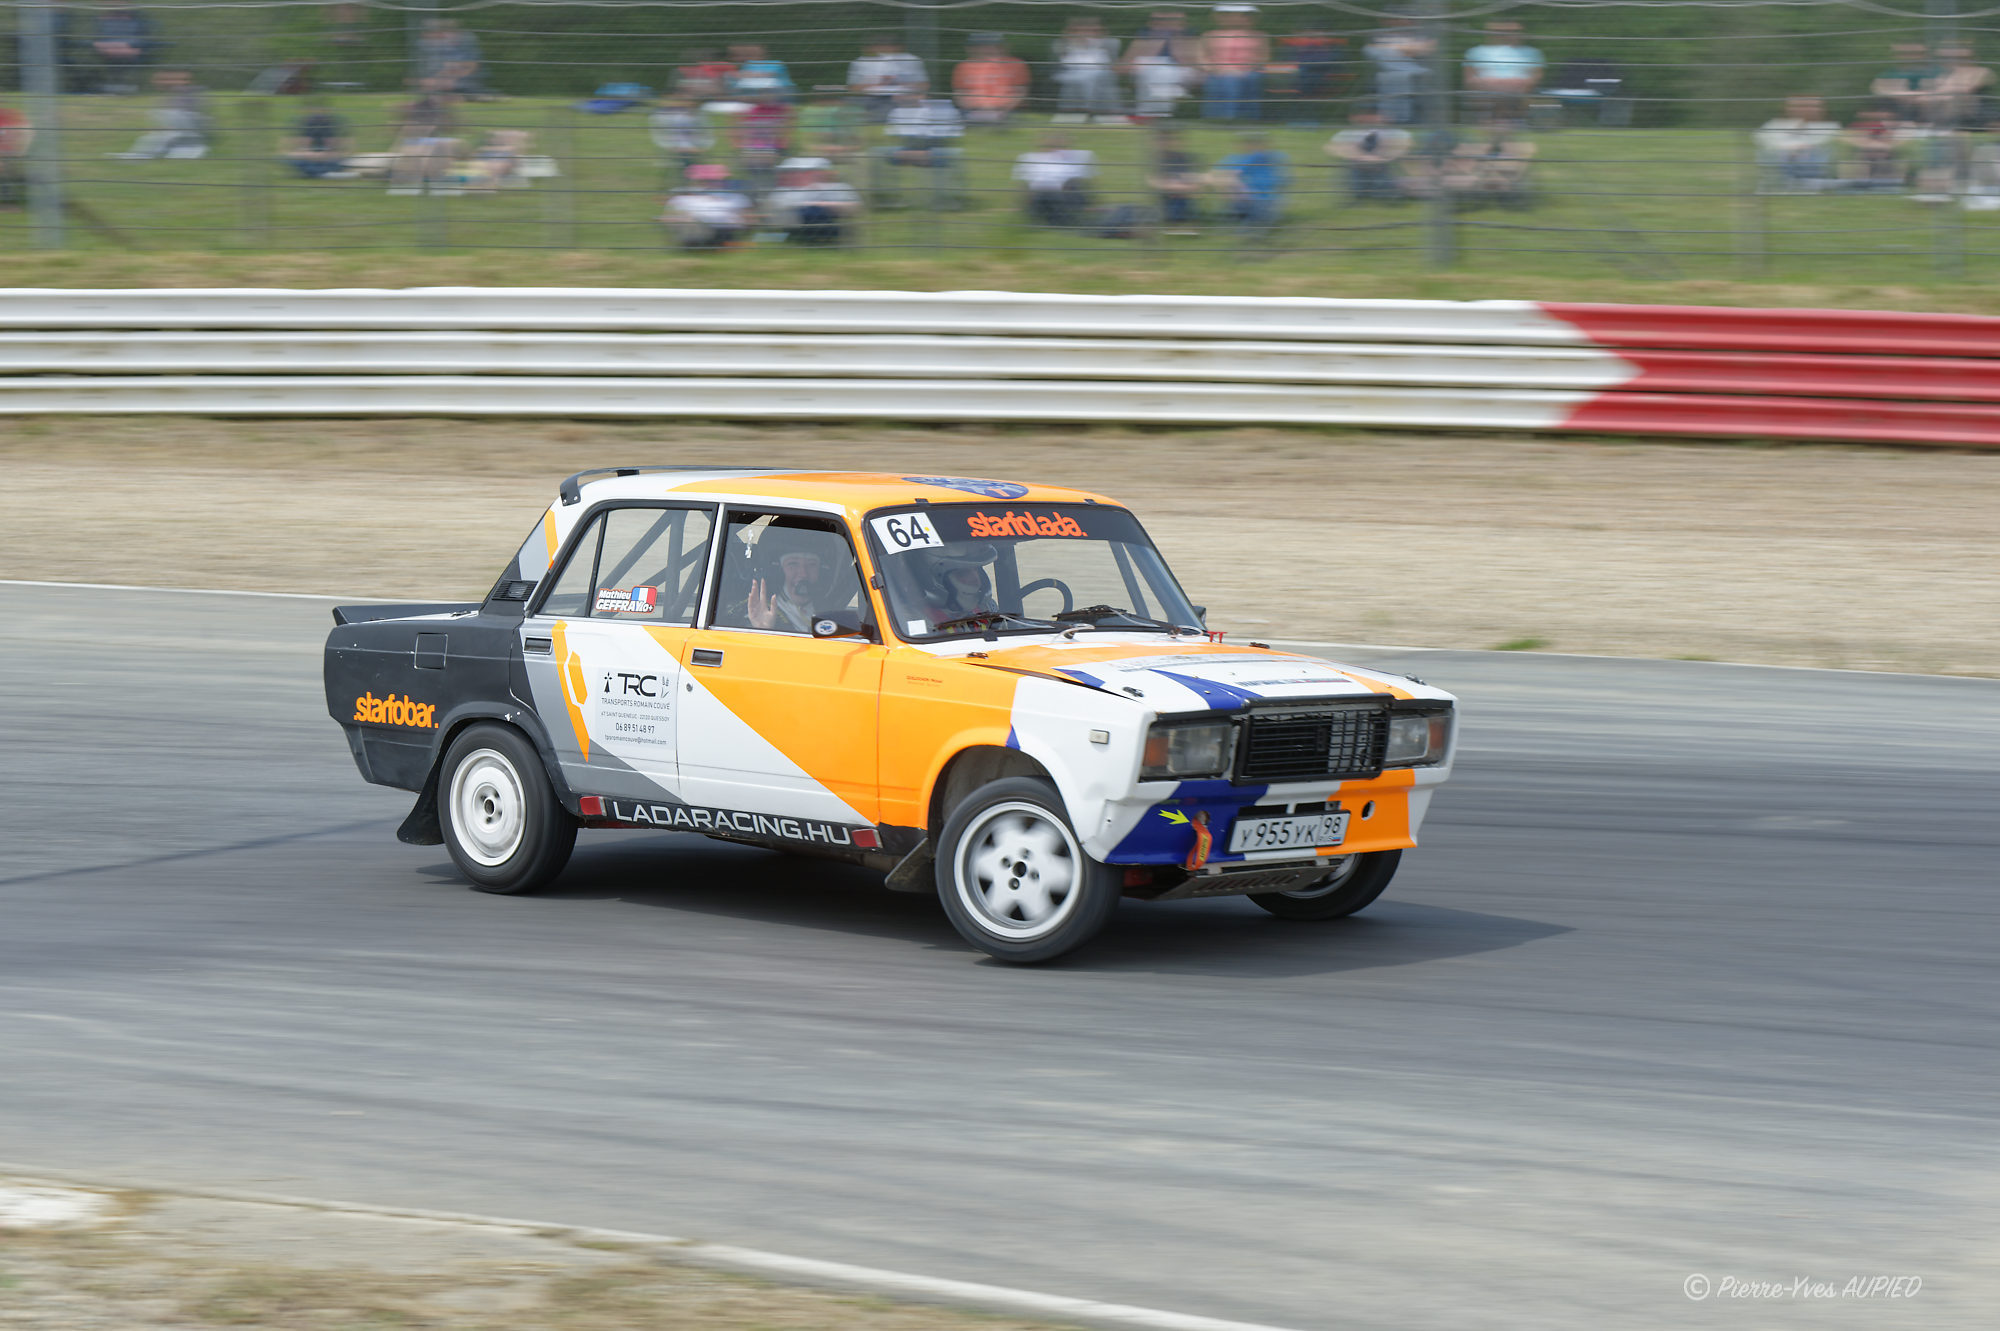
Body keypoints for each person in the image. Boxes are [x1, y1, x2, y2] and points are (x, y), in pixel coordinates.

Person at [107, 69, 209, 161]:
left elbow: (190, 118)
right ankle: (139, 156)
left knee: (159, 133)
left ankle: (141, 156)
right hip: (176, 132)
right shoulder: (169, 97)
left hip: (189, 134)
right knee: (150, 137)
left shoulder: (190, 94)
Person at [747, 529, 832, 632]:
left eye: (811, 564)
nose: (803, 574)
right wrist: (763, 630)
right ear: (779, 573)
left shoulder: (828, 609)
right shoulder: (760, 613)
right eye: (793, 564)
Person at [765, 157, 861, 245]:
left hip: (824, 219)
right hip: (794, 223)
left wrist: (821, 204)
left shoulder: (839, 187)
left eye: (796, 172)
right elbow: (773, 212)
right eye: (789, 172)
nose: (792, 175)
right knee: (806, 212)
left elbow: (854, 208)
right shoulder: (783, 190)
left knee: (814, 210)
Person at [1124, 11, 1200, 121]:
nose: (1162, 24)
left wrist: (1176, 37)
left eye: (1175, 22)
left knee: (1163, 74)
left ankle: (1155, 114)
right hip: (1152, 69)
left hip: (1180, 69)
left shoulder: (1189, 36)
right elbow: (1127, 62)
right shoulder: (1144, 36)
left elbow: (1189, 62)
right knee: (1153, 71)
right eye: (1156, 21)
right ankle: (1154, 114)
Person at [1754, 96, 1840, 193]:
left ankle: (1806, 184)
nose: (1806, 109)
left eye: (1812, 106)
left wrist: (1802, 148)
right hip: (1784, 163)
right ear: (1788, 108)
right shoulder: (1775, 125)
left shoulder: (1829, 127)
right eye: (1800, 106)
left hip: (1812, 166)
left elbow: (1824, 146)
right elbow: (1763, 141)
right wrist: (1790, 148)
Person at [387, 78, 459, 194]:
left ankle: (435, 179)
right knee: (426, 149)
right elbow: (407, 128)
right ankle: (426, 179)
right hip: (420, 140)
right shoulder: (419, 106)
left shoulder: (443, 107)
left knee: (443, 145)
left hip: (433, 140)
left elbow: (451, 127)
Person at [1462, 22, 1543, 124]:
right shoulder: (1475, 52)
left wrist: (1513, 84)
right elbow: (1469, 77)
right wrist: (1493, 84)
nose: (1508, 34)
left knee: (1513, 90)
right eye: (1497, 32)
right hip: (1487, 89)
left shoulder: (1532, 53)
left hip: (1517, 89)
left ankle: (1502, 122)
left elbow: (1537, 76)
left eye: (1514, 32)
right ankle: (1501, 122)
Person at [1326, 104, 1411, 200]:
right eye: (1365, 114)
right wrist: (1363, 158)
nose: (1369, 118)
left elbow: (1402, 146)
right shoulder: (1348, 134)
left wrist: (1380, 157)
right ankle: (1362, 191)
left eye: (1372, 114)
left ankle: (1387, 191)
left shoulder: (1394, 133)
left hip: (1386, 172)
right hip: (1358, 170)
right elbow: (1334, 148)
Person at [1200, 4, 1270, 122]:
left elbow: (1264, 58)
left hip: (1249, 72)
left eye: (1248, 15)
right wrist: (1215, 69)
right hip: (1218, 72)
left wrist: (1245, 70)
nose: (1247, 18)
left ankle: (1244, 119)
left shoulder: (1260, 36)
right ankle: (1224, 118)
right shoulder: (1209, 35)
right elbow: (1201, 59)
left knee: (1244, 80)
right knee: (1227, 80)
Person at [1365, 15, 1433, 127]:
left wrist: (1391, 47)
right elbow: (1371, 50)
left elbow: (1425, 49)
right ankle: (1392, 119)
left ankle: (1404, 120)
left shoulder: (1420, 35)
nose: (1402, 21)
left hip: (1416, 77)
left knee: (1407, 79)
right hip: (1385, 75)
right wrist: (1405, 49)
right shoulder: (1377, 34)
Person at [664, 163, 752, 248]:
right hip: (696, 229)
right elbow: (669, 217)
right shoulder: (683, 198)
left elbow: (748, 219)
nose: (708, 183)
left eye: (714, 180)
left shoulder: (735, 197)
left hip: (725, 230)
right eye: (704, 180)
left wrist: (742, 221)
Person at [1013, 135, 1096, 225]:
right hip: (1042, 199)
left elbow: (1079, 186)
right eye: (1051, 147)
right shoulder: (1033, 160)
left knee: (1071, 186)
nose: (1056, 150)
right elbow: (1025, 188)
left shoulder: (1072, 162)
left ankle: (1062, 221)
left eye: (1061, 147)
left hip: (1061, 199)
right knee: (1046, 194)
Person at [1053, 16, 1122, 123]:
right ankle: (1088, 111)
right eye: (1078, 30)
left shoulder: (1109, 43)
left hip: (1100, 75)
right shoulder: (1062, 44)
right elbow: (1064, 63)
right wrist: (1074, 42)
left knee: (1094, 78)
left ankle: (1091, 111)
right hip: (1071, 74)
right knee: (1088, 79)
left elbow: (1112, 64)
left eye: (1093, 30)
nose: (1085, 32)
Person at [1214, 130, 1288, 228]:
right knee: (1230, 183)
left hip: (1261, 198)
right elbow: (1229, 172)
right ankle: (1242, 215)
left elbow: (1234, 173)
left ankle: (1246, 218)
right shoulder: (1247, 157)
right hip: (1255, 197)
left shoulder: (1259, 157)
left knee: (1231, 183)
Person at [953, 34, 1030, 125]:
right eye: (980, 46)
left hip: (1007, 111)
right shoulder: (963, 67)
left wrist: (1000, 111)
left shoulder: (1016, 65)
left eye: (991, 45)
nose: (986, 49)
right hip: (972, 111)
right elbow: (959, 94)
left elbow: (1020, 93)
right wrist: (977, 110)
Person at [848, 35, 928, 122]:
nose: (885, 50)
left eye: (889, 47)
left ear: (898, 48)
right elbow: (853, 89)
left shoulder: (912, 60)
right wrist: (879, 82)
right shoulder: (860, 62)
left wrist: (900, 84)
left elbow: (924, 86)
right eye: (881, 47)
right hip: (871, 99)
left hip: (903, 98)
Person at [921, 544, 1001, 626]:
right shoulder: (917, 621)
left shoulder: (988, 609)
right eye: (963, 573)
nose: (975, 578)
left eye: (976, 570)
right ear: (939, 580)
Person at [734, 88, 792, 199]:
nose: (766, 98)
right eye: (763, 95)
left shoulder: (779, 110)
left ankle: (765, 192)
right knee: (751, 162)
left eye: (769, 95)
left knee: (765, 163)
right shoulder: (751, 110)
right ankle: (757, 193)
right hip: (753, 146)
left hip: (771, 146)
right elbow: (744, 131)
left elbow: (782, 130)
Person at [90, 6, 157, 95]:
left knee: (129, 54)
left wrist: (121, 48)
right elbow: (98, 44)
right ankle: (116, 86)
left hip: (129, 53)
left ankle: (124, 86)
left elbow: (138, 46)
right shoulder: (107, 26)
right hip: (111, 53)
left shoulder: (136, 26)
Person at [1149, 127, 1205, 231]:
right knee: (1175, 199)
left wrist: (1191, 186)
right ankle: (1177, 223)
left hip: (1182, 192)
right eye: (1160, 140)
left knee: (1184, 198)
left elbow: (1189, 176)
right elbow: (1154, 182)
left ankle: (1180, 223)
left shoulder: (1180, 157)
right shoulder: (1153, 159)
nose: (1164, 143)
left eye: (1166, 140)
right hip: (1167, 193)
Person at [1871, 43, 1941, 125]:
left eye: (1914, 53)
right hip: (1899, 111)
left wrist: (1923, 97)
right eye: (1905, 53)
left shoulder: (1934, 73)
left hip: (1926, 111)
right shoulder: (1889, 74)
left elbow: (1942, 90)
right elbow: (1879, 89)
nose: (1910, 56)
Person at [649, 96, 713, 181]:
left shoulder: (698, 115)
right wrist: (673, 147)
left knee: (690, 160)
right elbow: (661, 134)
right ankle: (687, 183)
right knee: (686, 159)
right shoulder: (666, 116)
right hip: (676, 146)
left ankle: (692, 183)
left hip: (693, 147)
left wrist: (701, 147)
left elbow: (706, 134)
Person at [284, 103, 352, 178]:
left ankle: (320, 173)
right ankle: (322, 173)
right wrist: (310, 154)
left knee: (336, 162)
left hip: (327, 159)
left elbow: (335, 150)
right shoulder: (309, 124)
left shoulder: (329, 125)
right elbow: (302, 148)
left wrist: (324, 154)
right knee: (298, 161)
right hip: (311, 159)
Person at [728, 44, 794, 102]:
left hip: (780, 91)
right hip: (755, 93)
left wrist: (748, 75)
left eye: (754, 53)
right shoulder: (748, 65)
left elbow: (770, 74)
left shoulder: (776, 63)